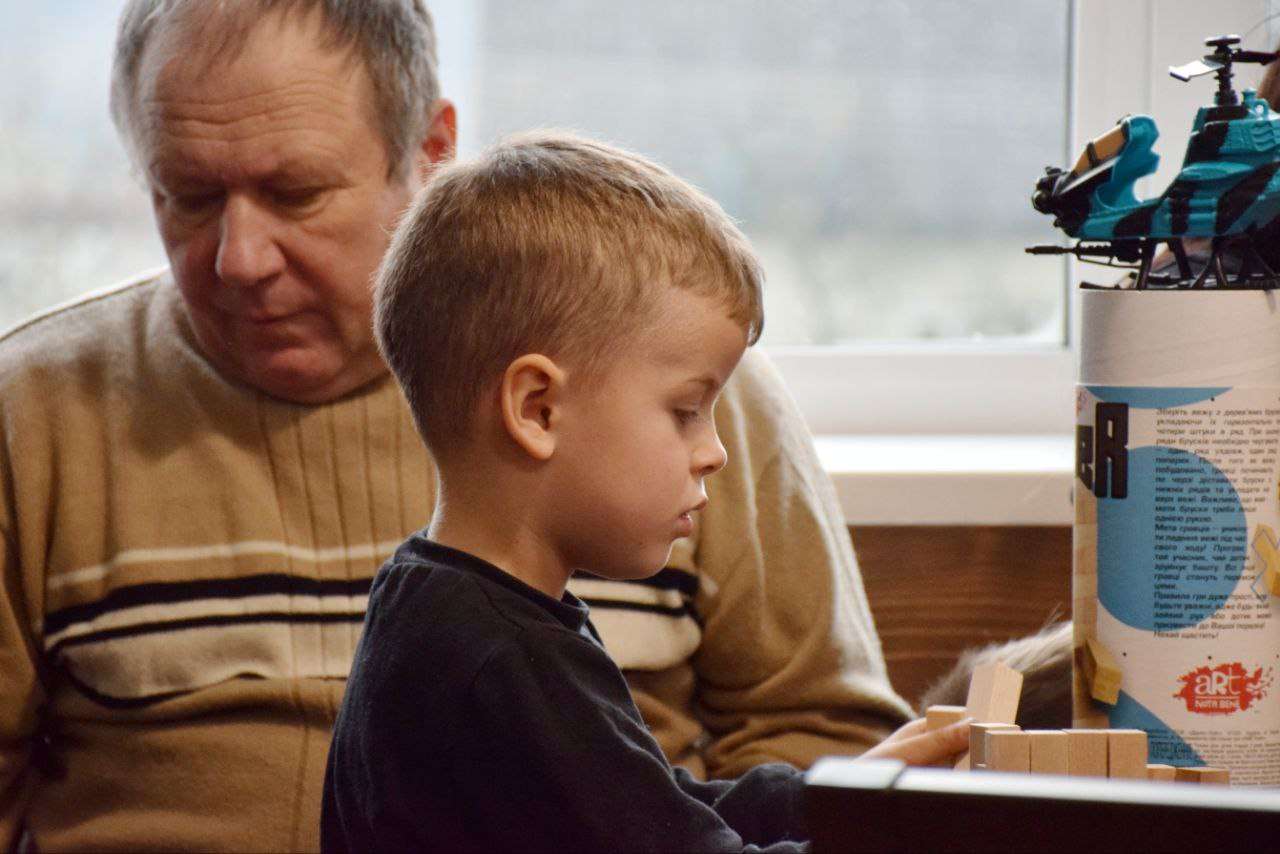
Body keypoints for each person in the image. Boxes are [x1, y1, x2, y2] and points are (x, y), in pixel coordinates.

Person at [0, 1, 909, 850]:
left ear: (430, 149)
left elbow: (785, 746)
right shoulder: (32, 415)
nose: (240, 259)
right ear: (532, 409)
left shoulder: (670, 386)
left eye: (298, 192)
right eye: (189, 195)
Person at [321, 130, 971, 853]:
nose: (716, 452)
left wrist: (834, 796)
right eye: (685, 410)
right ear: (537, 409)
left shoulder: (445, 606)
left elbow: (649, 806)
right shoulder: (502, 665)